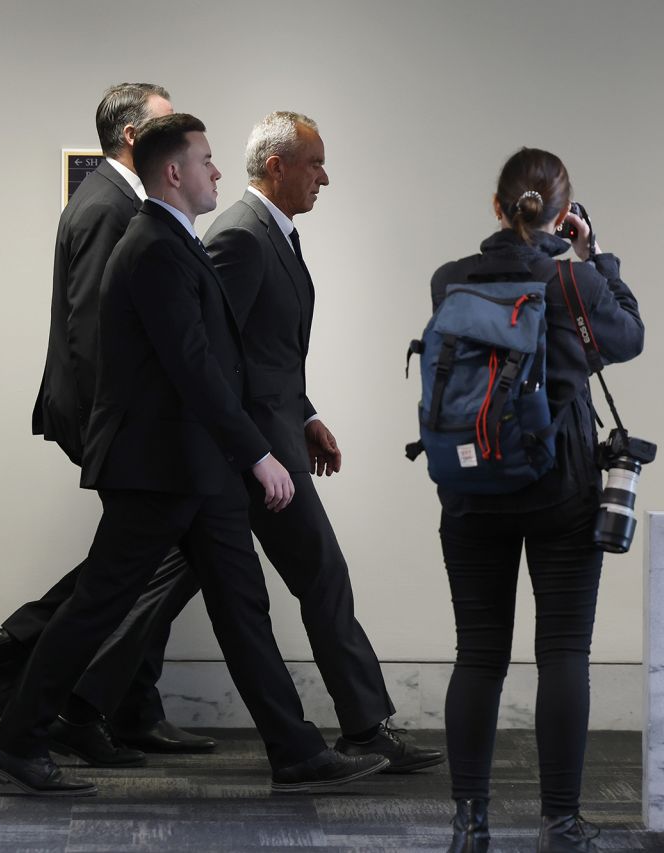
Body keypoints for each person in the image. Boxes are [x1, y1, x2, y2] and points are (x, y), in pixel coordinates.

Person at [0, 114, 388, 797]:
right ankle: (18, 740)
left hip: (195, 470)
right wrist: (258, 454)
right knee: (97, 606)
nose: (219, 172)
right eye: (206, 160)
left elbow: (211, 363)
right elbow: (194, 367)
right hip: (158, 471)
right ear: (175, 172)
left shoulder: (177, 242)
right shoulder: (154, 248)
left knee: (243, 607)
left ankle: (294, 750)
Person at [0, 83, 214, 765]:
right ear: (137, 137)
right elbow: (97, 331)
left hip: (121, 418)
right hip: (117, 418)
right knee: (150, 559)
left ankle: (117, 698)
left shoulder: (116, 202)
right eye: (172, 128)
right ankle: (42, 665)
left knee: (146, 558)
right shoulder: (111, 207)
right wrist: (130, 429)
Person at [204, 111, 443, 773]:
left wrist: (304, 413)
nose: (325, 177)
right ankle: (365, 727)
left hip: (270, 437)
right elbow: (216, 357)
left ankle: (71, 696)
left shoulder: (273, 233)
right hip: (251, 452)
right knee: (324, 573)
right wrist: (259, 450)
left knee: (150, 583)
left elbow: (264, 350)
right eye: (315, 163)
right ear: (277, 167)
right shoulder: (242, 237)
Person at [429, 148, 643, 853]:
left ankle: (470, 821)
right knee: (563, 650)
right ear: (564, 213)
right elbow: (627, 338)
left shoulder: (451, 279)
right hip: (563, 487)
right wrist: (596, 257)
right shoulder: (572, 281)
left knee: (477, 656)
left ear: (497, 207)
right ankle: (560, 820)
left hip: (470, 486)